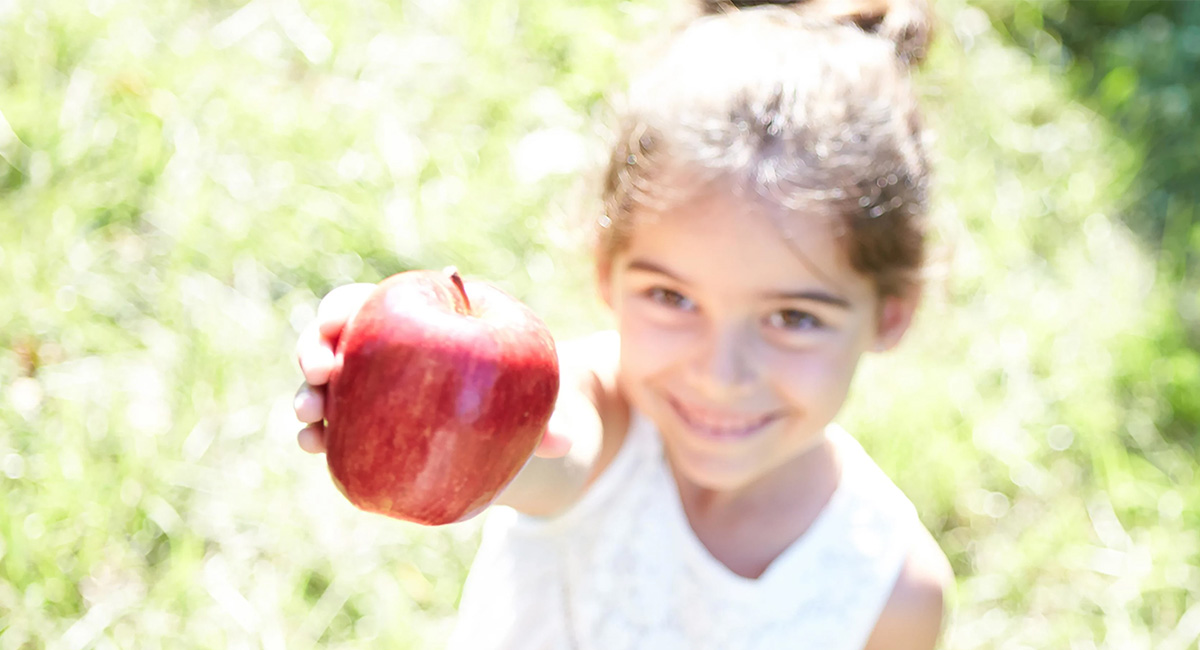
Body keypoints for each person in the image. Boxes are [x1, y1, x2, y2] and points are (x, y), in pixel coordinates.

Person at [294, 0, 954, 648]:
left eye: (793, 317)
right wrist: (399, 365)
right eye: (672, 298)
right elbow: (539, 454)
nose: (720, 376)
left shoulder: (893, 593)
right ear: (606, 271)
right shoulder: (600, 417)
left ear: (891, 313)